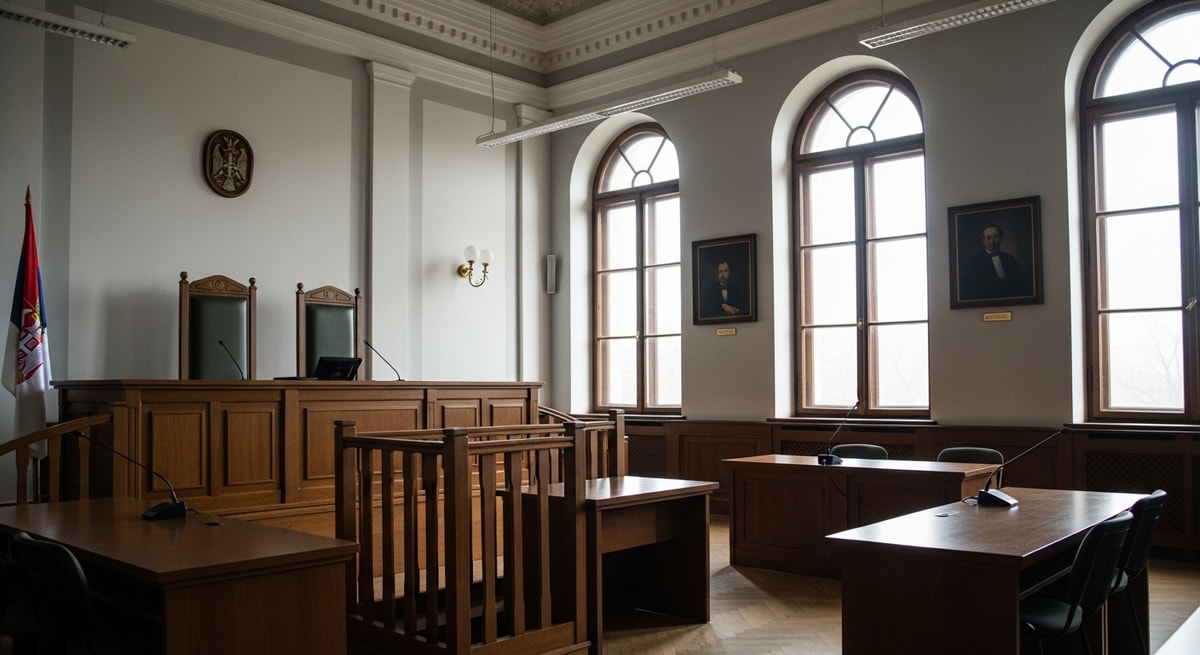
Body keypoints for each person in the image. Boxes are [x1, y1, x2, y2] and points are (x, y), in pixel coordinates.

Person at [959, 224, 1031, 300]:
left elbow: (1022, 285)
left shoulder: (1010, 260)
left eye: (995, 237)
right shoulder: (975, 263)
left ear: (1001, 238)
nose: (992, 242)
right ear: (983, 240)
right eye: (988, 238)